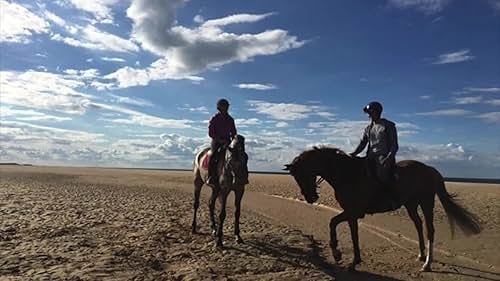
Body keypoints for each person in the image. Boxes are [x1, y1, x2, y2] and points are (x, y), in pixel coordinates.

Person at [350, 101, 400, 209]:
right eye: (368, 112)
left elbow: (394, 145)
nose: (369, 115)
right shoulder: (368, 128)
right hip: (370, 157)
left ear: (377, 112)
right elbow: (362, 143)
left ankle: (392, 198)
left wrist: (388, 158)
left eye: (371, 112)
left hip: (383, 156)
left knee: (382, 174)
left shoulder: (388, 125)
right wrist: (354, 153)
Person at [207, 99, 248, 185]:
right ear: (219, 107)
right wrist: (220, 140)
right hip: (216, 142)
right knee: (213, 155)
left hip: (228, 142)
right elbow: (211, 133)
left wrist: (234, 141)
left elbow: (233, 132)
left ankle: (243, 176)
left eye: (226, 106)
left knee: (242, 156)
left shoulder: (230, 119)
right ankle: (210, 176)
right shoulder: (214, 119)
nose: (225, 108)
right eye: (223, 106)